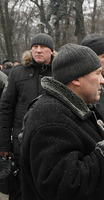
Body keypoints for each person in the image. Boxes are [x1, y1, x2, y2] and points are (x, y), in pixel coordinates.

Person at [20, 43, 104, 200]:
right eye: (97, 74)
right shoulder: (52, 117)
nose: (103, 81)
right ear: (76, 79)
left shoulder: (70, 109)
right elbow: (64, 185)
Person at [0, 33, 55, 200]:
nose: (38, 50)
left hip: (50, 143)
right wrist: (3, 144)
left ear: (51, 51)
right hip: (20, 144)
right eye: (34, 47)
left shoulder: (59, 72)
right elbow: (6, 108)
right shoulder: (17, 73)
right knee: (20, 190)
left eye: (42, 47)